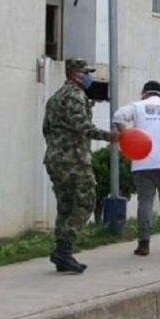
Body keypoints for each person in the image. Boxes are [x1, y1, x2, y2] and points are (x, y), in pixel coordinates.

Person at [43, 58, 118, 274]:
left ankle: (61, 254)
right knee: (85, 202)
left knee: (66, 205)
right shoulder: (74, 97)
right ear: (75, 74)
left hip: (55, 159)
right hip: (73, 160)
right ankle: (64, 249)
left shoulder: (56, 97)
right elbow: (82, 126)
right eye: (86, 73)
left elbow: (46, 127)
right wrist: (108, 136)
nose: (89, 77)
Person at [113, 80, 160, 256]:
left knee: (145, 201)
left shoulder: (137, 106)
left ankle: (144, 243)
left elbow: (118, 116)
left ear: (144, 92)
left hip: (143, 160)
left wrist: (126, 136)